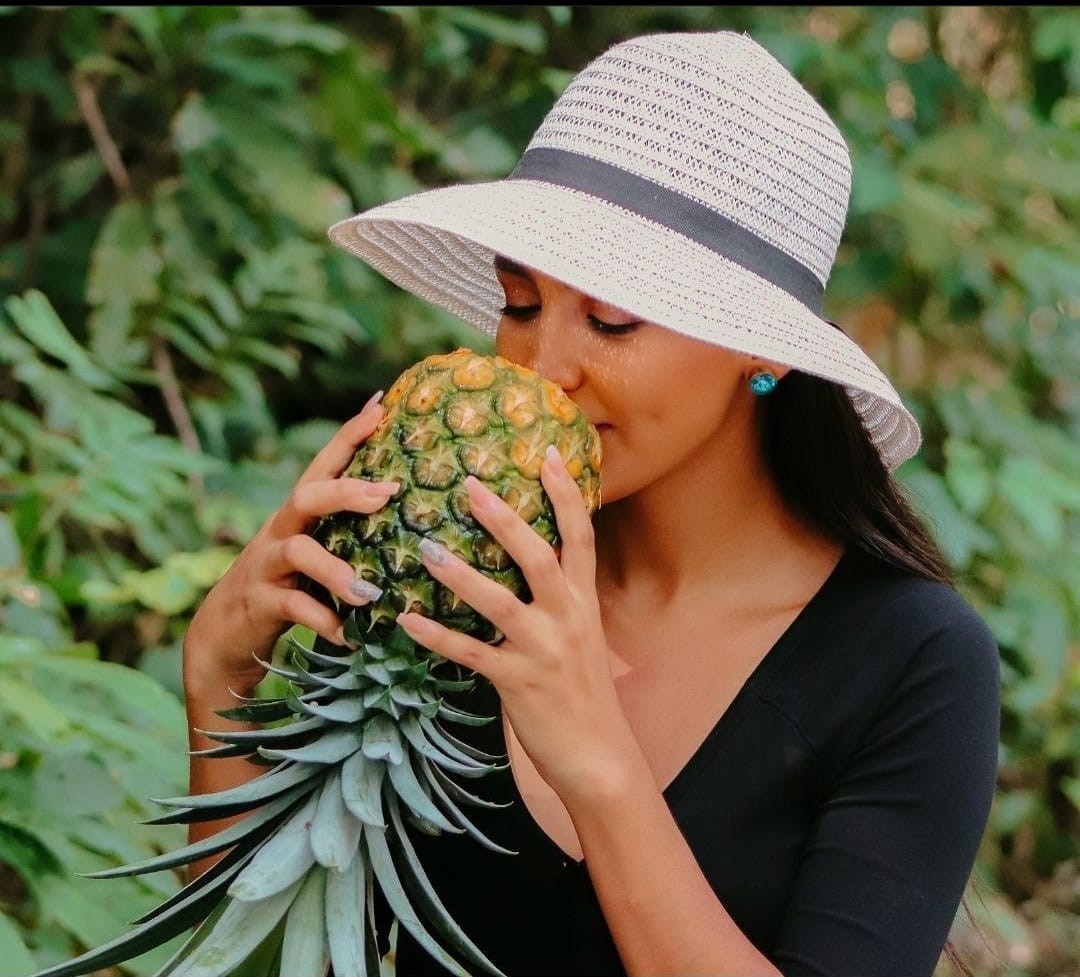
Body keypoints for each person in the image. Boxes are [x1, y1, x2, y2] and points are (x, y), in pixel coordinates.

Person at [182, 30, 1001, 977]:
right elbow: (283, 954)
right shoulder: (448, 570)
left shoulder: (913, 661)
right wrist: (219, 682)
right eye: (521, 305)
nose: (542, 370)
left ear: (764, 350)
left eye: (611, 319)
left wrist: (599, 768)